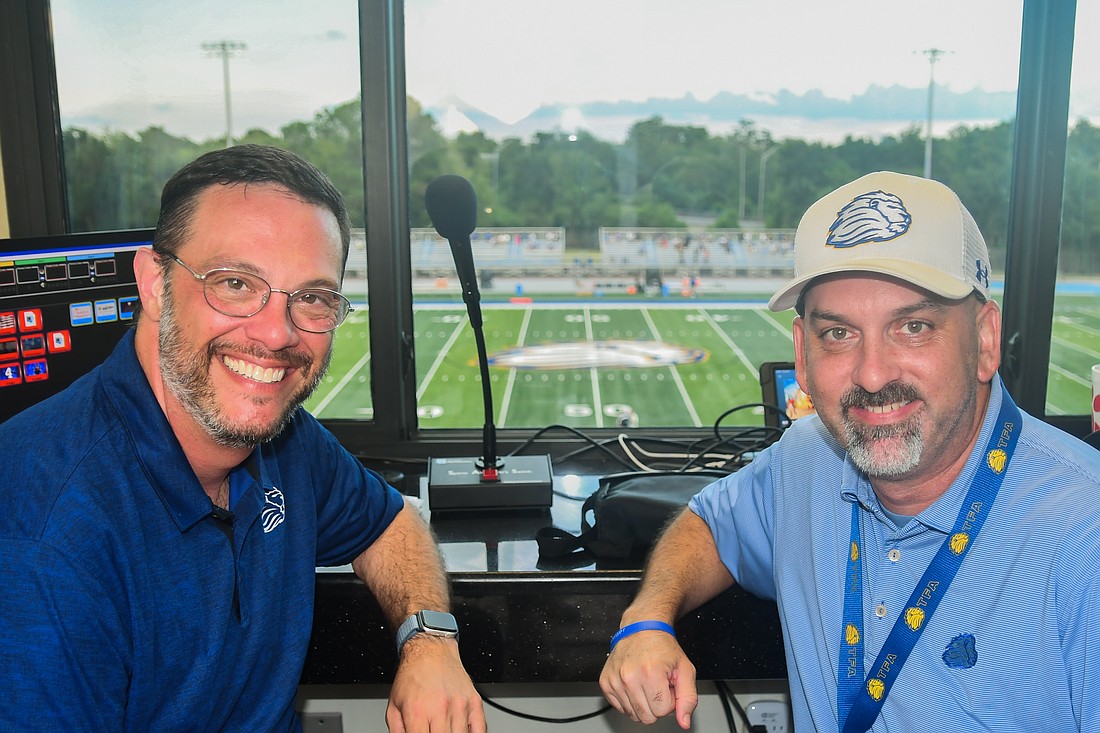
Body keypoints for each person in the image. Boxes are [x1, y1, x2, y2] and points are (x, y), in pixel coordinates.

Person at [0, 144, 486, 732]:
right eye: (234, 283)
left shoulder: (287, 443)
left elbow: (388, 524)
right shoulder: (45, 536)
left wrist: (428, 640)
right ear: (154, 283)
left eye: (312, 297)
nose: (276, 334)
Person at [599, 171, 1100, 732]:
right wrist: (647, 619)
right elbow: (710, 525)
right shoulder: (806, 457)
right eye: (838, 334)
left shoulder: (1085, 538)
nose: (872, 373)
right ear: (802, 355)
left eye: (913, 326)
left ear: (985, 340)